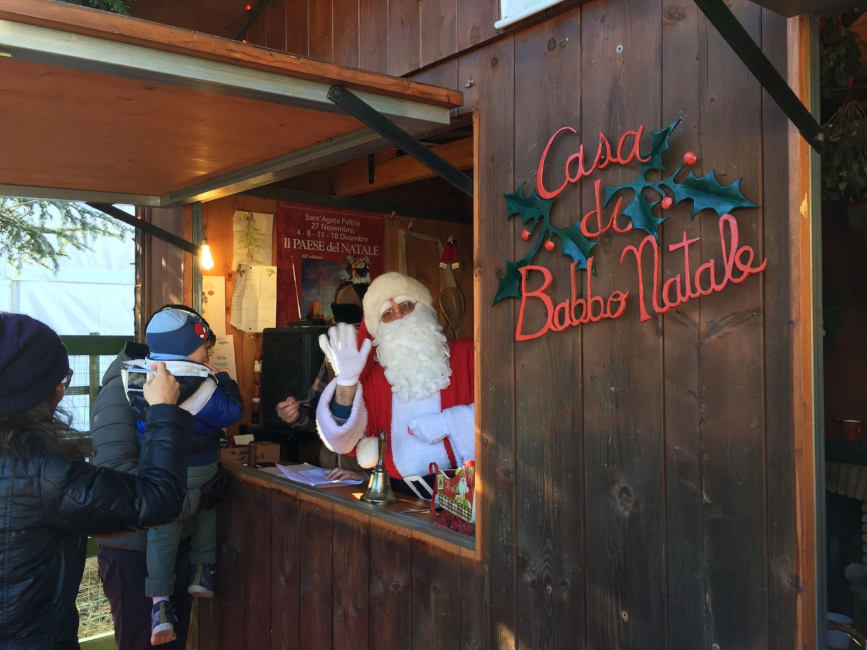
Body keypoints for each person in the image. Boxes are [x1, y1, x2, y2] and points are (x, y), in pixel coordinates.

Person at [0, 312, 191, 650]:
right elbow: (156, 500)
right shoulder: (43, 472)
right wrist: (164, 410)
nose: (63, 388)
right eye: (60, 379)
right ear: (33, 393)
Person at [92, 305, 229, 650]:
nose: (204, 355)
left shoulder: (183, 380)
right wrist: (198, 496)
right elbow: (121, 479)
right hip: (132, 551)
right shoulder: (127, 385)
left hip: (173, 541)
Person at [127, 307, 242, 645]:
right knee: (208, 505)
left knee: (161, 535)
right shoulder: (196, 382)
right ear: (186, 347)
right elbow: (231, 414)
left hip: (158, 469)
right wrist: (225, 380)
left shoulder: (139, 376)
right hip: (199, 467)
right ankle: (203, 572)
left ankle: (159, 605)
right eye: (204, 345)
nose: (208, 352)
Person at [315, 272, 474, 486]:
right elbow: (344, 441)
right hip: (401, 494)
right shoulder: (376, 378)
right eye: (388, 314)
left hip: (464, 490)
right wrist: (347, 383)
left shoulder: (468, 354)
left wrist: (447, 423)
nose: (398, 316)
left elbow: (499, 414)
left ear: (423, 307)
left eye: (405, 306)